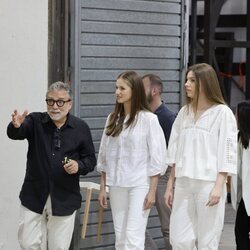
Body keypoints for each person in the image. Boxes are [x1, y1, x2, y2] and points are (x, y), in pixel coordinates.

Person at [7, 81, 96, 250]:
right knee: (27, 242)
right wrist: (15, 126)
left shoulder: (80, 128)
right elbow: (17, 133)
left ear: (69, 104)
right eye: (50, 101)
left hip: (64, 197)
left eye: (60, 102)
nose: (55, 106)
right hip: (34, 194)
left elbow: (90, 160)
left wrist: (78, 165)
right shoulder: (34, 121)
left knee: (59, 247)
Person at [164, 63, 237, 249]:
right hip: (183, 183)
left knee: (207, 240)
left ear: (205, 83)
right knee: (179, 239)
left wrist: (219, 186)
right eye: (186, 80)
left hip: (209, 184)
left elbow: (228, 151)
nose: (186, 84)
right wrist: (170, 185)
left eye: (192, 80)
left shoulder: (222, 113)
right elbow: (175, 150)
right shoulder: (184, 113)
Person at [97, 70, 167, 250]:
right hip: (116, 184)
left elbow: (157, 159)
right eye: (116, 88)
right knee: (120, 238)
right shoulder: (112, 119)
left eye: (122, 88)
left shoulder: (149, 119)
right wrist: (103, 187)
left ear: (134, 91)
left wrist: (152, 191)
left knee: (134, 238)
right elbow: (104, 156)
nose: (117, 92)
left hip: (140, 185)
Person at [142, 74, 175, 250]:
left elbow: (175, 153)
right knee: (137, 224)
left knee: (168, 226)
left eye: (143, 87)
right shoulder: (142, 116)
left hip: (163, 175)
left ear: (154, 91)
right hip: (143, 175)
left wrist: (170, 181)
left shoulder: (168, 118)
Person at [231, 100, 250, 249]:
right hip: (246, 197)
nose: (234, 116)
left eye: (236, 113)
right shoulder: (240, 139)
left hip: (247, 196)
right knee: (241, 231)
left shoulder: (241, 139)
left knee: (241, 231)